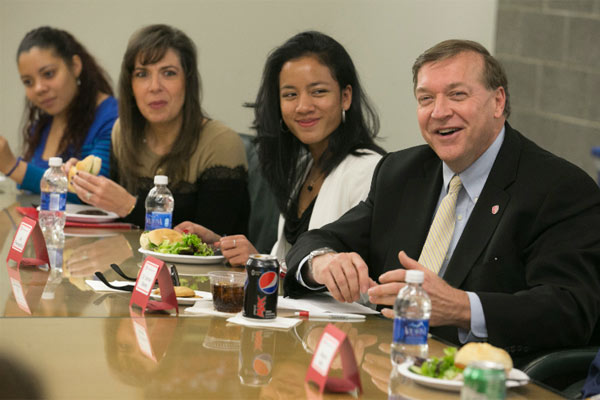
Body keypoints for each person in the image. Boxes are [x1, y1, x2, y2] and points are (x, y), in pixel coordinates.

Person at [284, 39, 600, 360]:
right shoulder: (401, 172)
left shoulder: (558, 188)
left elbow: (571, 308)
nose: (439, 112)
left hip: (485, 376)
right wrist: (323, 262)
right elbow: (316, 240)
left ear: (498, 102)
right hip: (384, 362)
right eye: (426, 99)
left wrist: (463, 308)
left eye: (457, 95)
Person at [176, 31, 385, 266]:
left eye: (318, 91)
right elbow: (288, 267)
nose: (303, 106)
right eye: (290, 95)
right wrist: (222, 246)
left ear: (345, 97)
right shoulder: (302, 167)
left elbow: (356, 277)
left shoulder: (369, 171)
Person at [69, 25, 249, 233]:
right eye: (142, 74)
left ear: (188, 82)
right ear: (130, 85)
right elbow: (116, 222)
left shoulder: (221, 143)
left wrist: (129, 205)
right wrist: (84, 183)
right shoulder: (122, 131)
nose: (154, 86)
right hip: (129, 254)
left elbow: (211, 240)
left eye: (169, 73)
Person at [0, 26, 117, 200]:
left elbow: (92, 192)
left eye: (48, 74)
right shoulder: (43, 124)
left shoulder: (111, 116)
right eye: (28, 82)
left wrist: (12, 167)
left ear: (75, 66)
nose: (39, 88)